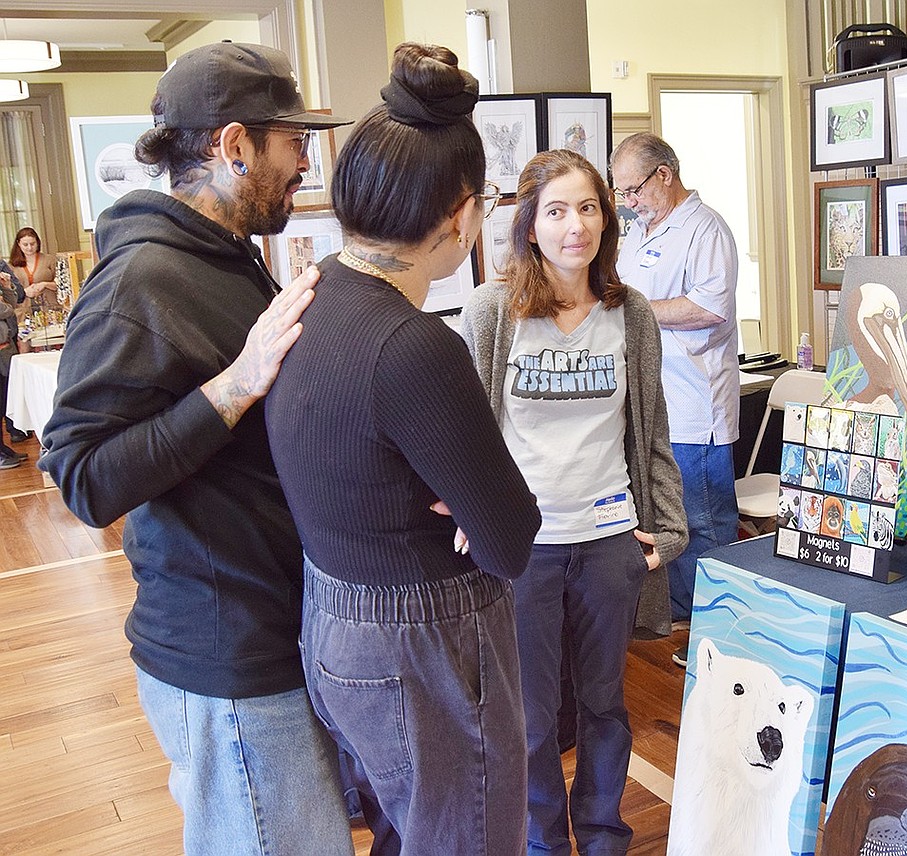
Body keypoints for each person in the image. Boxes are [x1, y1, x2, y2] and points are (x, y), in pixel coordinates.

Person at [39, 42, 358, 856]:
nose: (306, 162)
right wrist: (236, 383)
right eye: (294, 142)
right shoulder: (140, 281)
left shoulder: (231, 258)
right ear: (234, 146)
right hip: (225, 654)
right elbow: (82, 479)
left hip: (277, 630)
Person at [265, 43, 541, 856]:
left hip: (334, 621)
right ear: (461, 215)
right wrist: (478, 497)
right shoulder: (415, 347)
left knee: (402, 830)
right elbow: (510, 537)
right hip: (423, 646)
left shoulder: (308, 301)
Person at [461, 149, 688, 856]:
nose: (575, 226)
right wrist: (473, 513)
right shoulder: (493, 311)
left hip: (608, 542)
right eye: (556, 210)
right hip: (524, 549)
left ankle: (602, 836)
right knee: (529, 718)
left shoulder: (632, 315)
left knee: (604, 708)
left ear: (606, 218)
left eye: (588, 207)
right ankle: (543, 844)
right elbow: (466, 431)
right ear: (529, 225)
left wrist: (667, 530)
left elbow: (651, 427)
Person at [610, 133, 740, 667]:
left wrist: (633, 309)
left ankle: (722, 637)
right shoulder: (640, 232)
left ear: (665, 174)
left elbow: (711, 309)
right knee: (669, 521)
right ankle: (686, 626)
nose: (628, 202)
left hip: (695, 407)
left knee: (703, 523)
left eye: (633, 190)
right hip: (653, 404)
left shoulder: (705, 229)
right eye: (621, 194)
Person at [0, 263, 29, 466]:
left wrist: (7, 288)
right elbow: (5, 310)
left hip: (4, 347)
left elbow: (11, 305)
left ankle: (3, 449)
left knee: (3, 401)